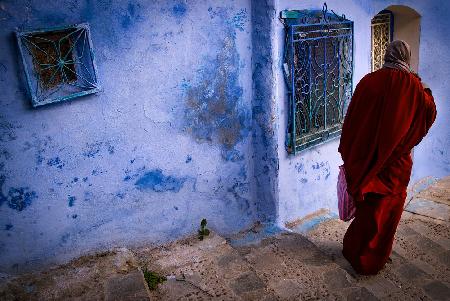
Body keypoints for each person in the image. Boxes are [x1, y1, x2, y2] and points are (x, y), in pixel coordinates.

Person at [338, 40, 437, 275]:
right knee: (387, 212)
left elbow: (351, 121)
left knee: (367, 208)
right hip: (396, 164)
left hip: (364, 161)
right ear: (407, 57)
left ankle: (353, 250)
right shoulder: (415, 87)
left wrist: (354, 153)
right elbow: (429, 113)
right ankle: (372, 259)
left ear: (387, 55)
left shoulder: (368, 82)